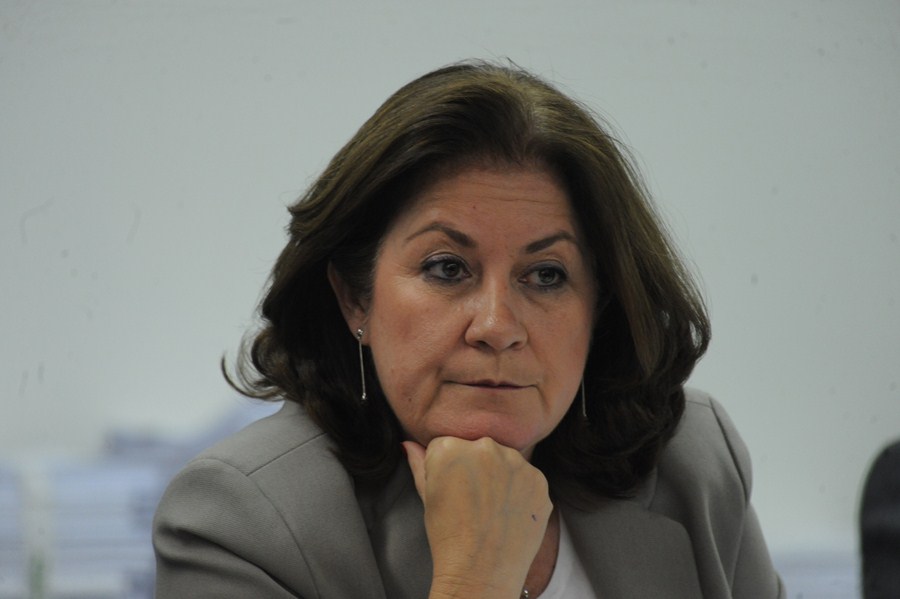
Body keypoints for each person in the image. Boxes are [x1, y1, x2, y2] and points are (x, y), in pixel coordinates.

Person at [152, 60, 785, 598]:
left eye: (546, 276)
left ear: (601, 308)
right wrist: (474, 580)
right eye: (447, 268)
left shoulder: (691, 462)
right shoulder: (240, 520)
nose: (497, 326)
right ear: (355, 299)